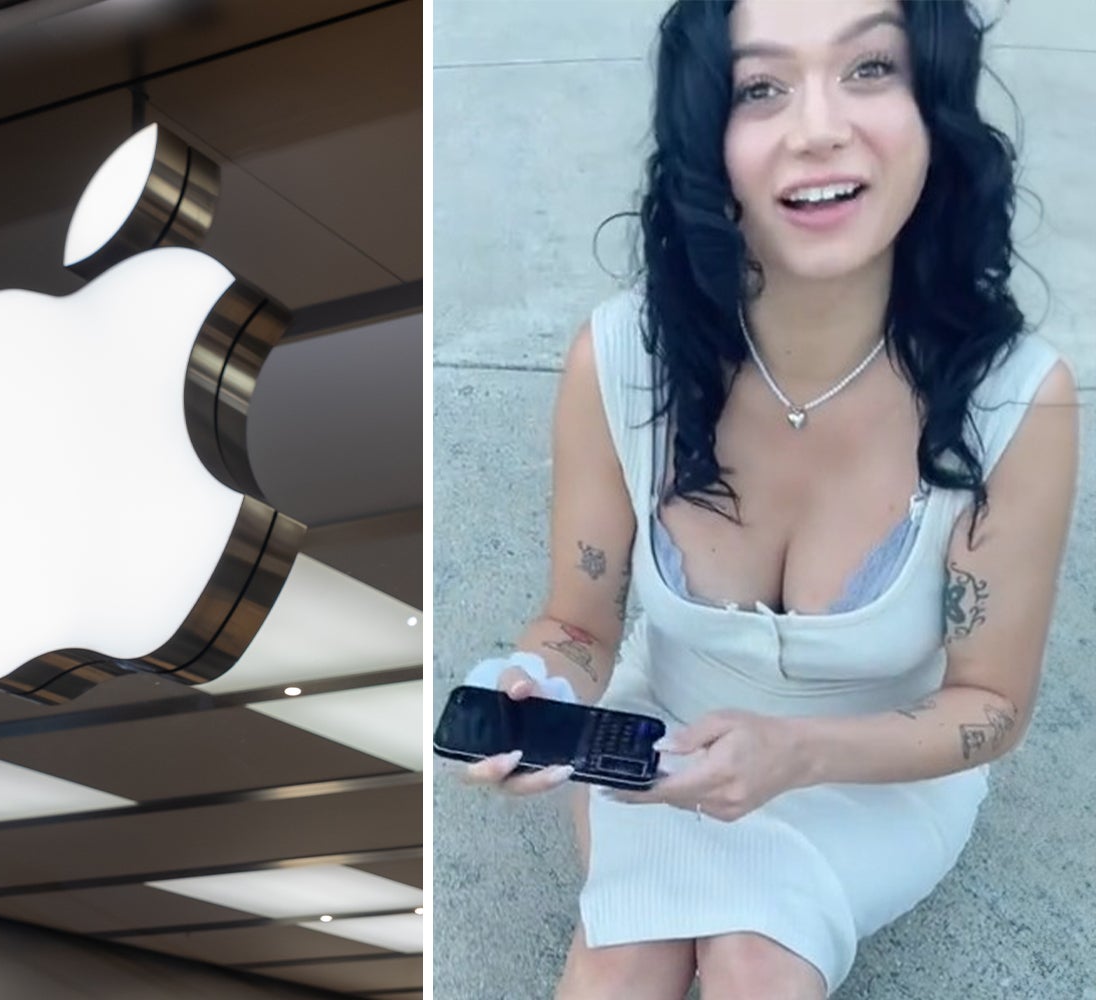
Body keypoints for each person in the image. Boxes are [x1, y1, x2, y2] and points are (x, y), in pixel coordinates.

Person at [453, 1, 1074, 997]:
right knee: (617, 963)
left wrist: (796, 752)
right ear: (708, 138)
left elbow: (989, 707)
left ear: (932, 111)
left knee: (752, 961)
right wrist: (538, 680)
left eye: (869, 68)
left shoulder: (1011, 399)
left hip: (872, 772)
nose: (816, 125)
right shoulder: (619, 360)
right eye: (760, 86)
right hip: (657, 736)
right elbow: (577, 623)